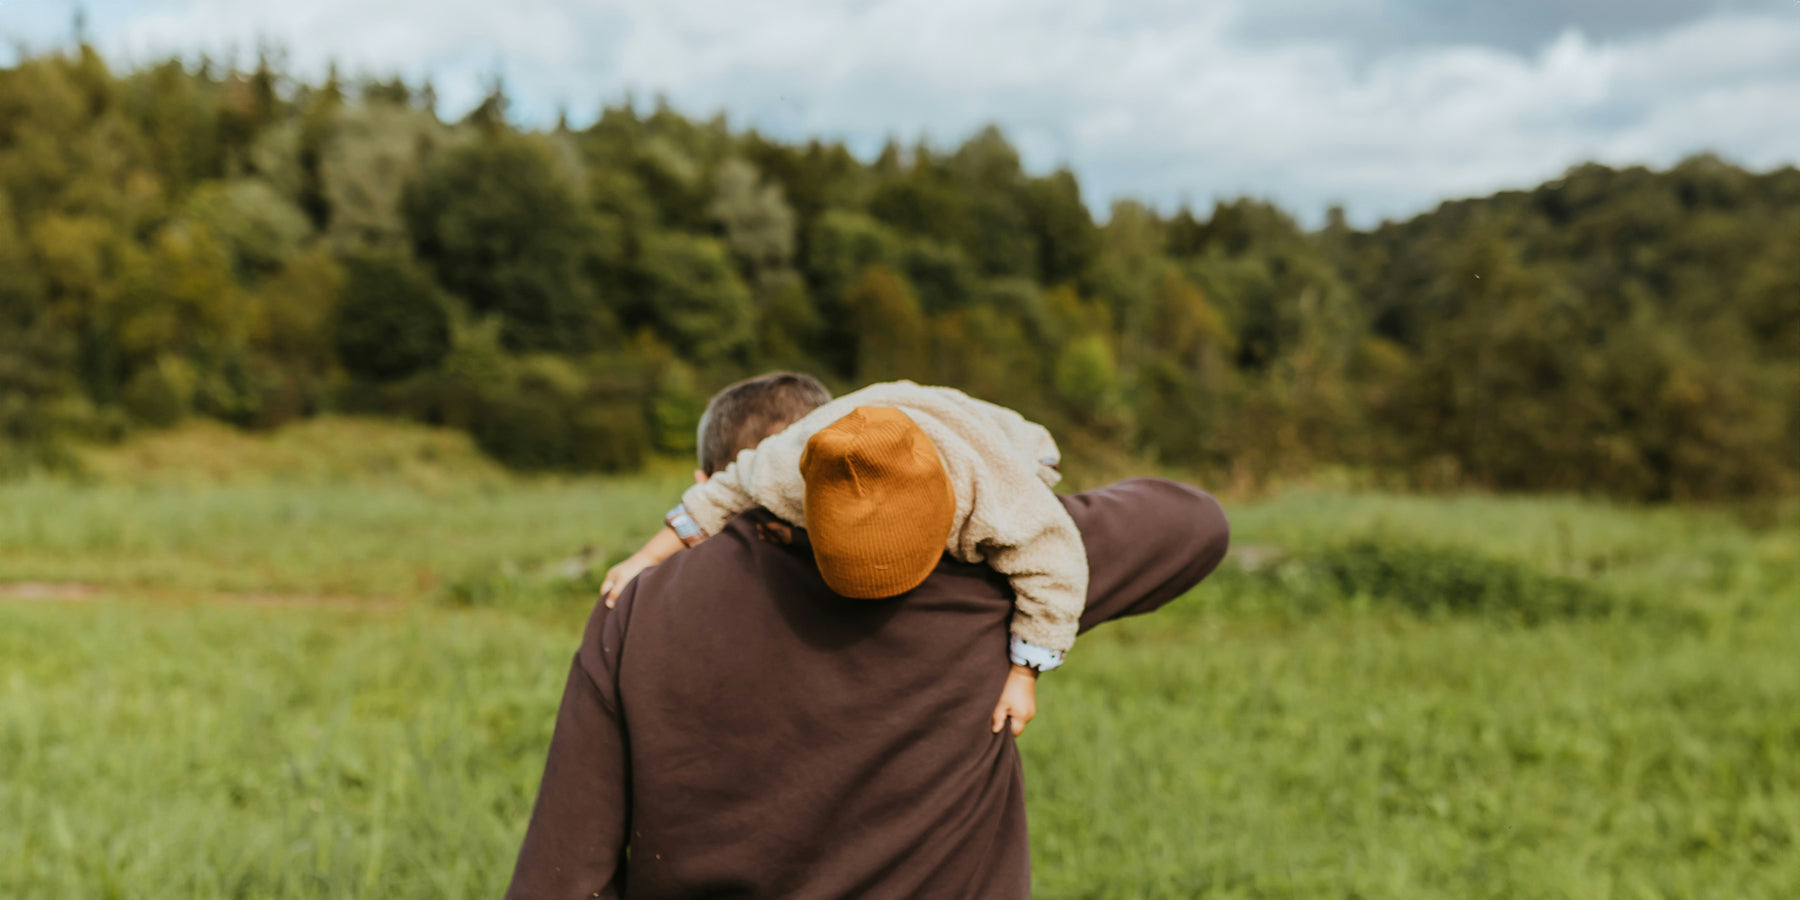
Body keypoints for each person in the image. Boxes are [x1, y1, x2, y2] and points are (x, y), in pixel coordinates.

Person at [505, 372, 1231, 899]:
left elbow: (559, 877)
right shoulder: (987, 583)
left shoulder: (633, 610)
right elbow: (1195, 522)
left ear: (712, 478)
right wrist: (987, 504)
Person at [603, 379, 1087, 736]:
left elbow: (1057, 568)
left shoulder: (996, 498)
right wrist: (645, 557)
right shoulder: (784, 468)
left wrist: (1025, 673)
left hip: (975, 427)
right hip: (866, 417)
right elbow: (717, 494)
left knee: (1039, 465)